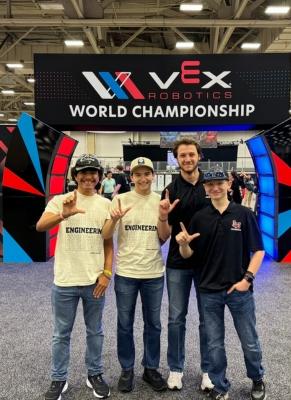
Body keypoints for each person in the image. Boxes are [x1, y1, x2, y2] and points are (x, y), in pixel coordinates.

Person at [176, 165, 266, 400]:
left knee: (249, 340)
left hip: (239, 290)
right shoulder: (199, 217)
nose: (215, 187)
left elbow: (258, 251)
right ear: (205, 188)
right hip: (208, 291)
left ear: (228, 184)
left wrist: (247, 280)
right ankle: (220, 386)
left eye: (219, 183)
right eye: (210, 184)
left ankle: (257, 377)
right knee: (214, 344)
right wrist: (183, 244)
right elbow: (188, 255)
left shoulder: (243, 214)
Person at [36, 154, 114, 400]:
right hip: (65, 280)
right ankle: (59, 378)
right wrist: (63, 214)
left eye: (93, 172)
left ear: (99, 176)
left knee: (95, 331)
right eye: (83, 172)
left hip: (94, 281)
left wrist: (107, 273)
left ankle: (94, 374)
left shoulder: (105, 204)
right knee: (61, 333)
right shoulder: (61, 200)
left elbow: (108, 243)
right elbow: (40, 226)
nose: (88, 176)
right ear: (75, 176)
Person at [101, 157, 168, 393]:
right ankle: (127, 368)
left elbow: (163, 238)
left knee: (154, 324)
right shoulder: (120, 200)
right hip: (126, 272)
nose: (143, 178)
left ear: (153, 175)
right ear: (131, 177)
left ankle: (150, 368)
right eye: (138, 174)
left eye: (147, 174)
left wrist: (163, 216)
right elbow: (106, 234)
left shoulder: (160, 201)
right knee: (124, 323)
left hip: (153, 272)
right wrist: (114, 219)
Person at [157, 137, 213, 392]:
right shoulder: (170, 190)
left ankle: (208, 371)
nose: (187, 159)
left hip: (208, 263)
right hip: (177, 263)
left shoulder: (211, 185)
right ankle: (176, 369)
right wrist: (163, 216)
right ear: (176, 159)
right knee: (176, 318)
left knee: (208, 318)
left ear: (199, 156)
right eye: (182, 155)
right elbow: (163, 236)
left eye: (191, 154)